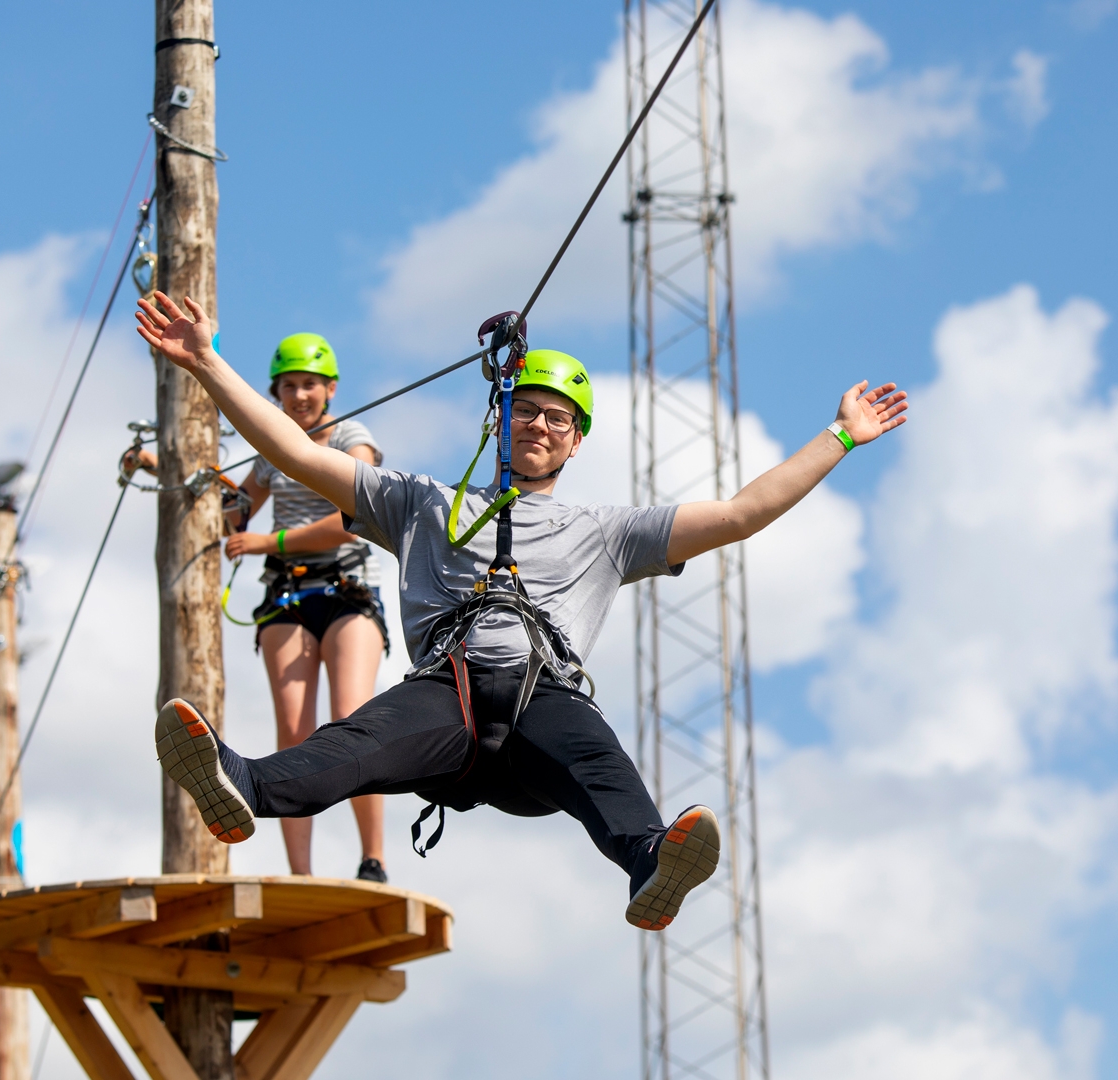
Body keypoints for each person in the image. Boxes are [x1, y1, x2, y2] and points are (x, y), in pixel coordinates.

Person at [135, 292, 907, 930]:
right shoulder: (421, 503)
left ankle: (649, 862)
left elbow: (741, 513)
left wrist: (840, 435)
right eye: (527, 410)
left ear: (575, 445)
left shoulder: (606, 533)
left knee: (597, 756)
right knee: (358, 738)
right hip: (450, 696)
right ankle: (243, 784)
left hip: (544, 706)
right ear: (499, 421)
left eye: (558, 419)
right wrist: (206, 361)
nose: (540, 424)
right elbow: (297, 454)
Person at [124, 332, 394, 883]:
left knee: (352, 718)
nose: (299, 397)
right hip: (289, 597)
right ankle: (301, 871)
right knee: (294, 731)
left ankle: (373, 858)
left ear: (330, 389)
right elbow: (236, 508)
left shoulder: (350, 436)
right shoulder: (271, 451)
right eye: (289, 387)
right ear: (275, 392)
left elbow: (355, 515)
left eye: (310, 386)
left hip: (346, 590)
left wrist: (270, 543)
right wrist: (162, 463)